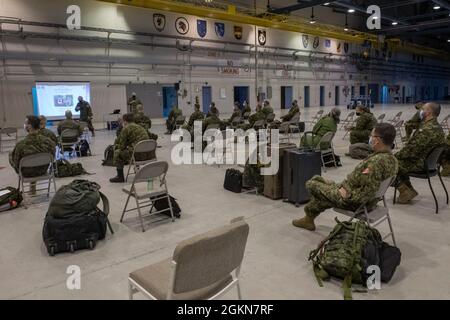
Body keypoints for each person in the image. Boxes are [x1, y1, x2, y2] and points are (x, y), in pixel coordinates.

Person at [292, 123, 399, 231]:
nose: (370, 138)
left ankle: (308, 218)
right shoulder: (392, 159)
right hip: (356, 193)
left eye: (372, 136)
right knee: (319, 181)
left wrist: (345, 193)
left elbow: (367, 193)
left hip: (353, 200)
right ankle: (308, 219)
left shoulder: (376, 163)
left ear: (378, 140)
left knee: (312, 183)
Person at [394, 102, 445, 203]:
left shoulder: (426, 129)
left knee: (389, 164)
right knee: (397, 161)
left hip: (421, 163)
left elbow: (411, 151)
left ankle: (405, 191)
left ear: (428, 112)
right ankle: (409, 190)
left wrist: (393, 157)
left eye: (423, 109)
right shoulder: (437, 127)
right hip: (430, 163)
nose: (420, 111)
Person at [9, 115, 56, 186]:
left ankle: (32, 184)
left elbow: (16, 164)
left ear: (30, 126)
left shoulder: (21, 145)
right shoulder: (49, 142)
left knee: (10, 155)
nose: (24, 125)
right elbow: (53, 157)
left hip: (27, 173)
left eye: (26, 123)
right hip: (43, 170)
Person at [110, 113, 151, 183]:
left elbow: (121, 146)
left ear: (125, 121)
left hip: (137, 156)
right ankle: (137, 170)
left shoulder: (126, 128)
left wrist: (115, 146)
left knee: (118, 152)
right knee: (132, 148)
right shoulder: (140, 127)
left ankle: (120, 177)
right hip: (148, 155)